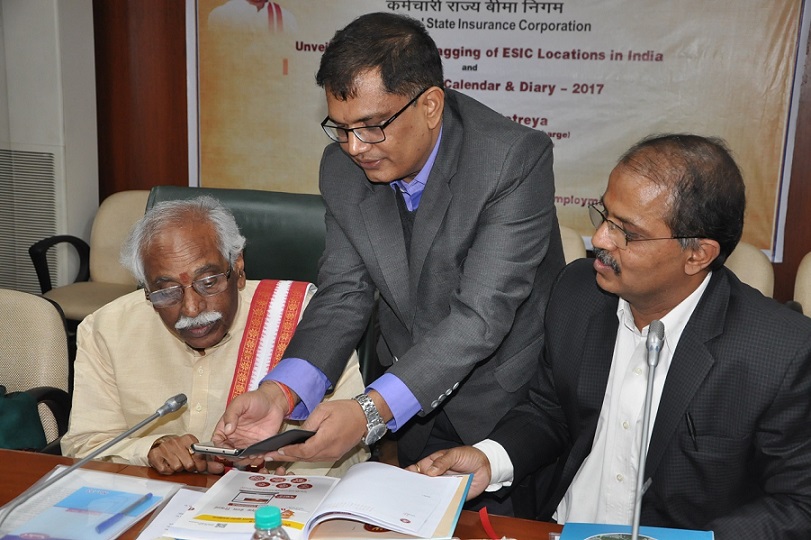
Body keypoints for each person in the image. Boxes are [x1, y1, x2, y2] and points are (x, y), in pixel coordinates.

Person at [213, 11, 564, 487]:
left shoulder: (511, 160)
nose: (355, 148)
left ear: (431, 106)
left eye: (371, 125)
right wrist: (280, 393)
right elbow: (344, 293)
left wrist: (368, 413)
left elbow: (480, 316)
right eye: (341, 128)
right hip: (410, 402)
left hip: (507, 407)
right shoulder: (342, 169)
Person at [409, 134, 811, 538]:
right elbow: (549, 411)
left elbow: (799, 504)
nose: (600, 239)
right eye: (604, 215)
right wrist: (490, 460)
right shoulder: (578, 292)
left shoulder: (781, 351)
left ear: (697, 254)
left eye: (627, 232)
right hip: (559, 528)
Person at [61, 196, 368, 476]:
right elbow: (84, 446)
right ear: (146, 289)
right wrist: (149, 450)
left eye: (208, 282)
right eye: (166, 291)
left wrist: (284, 468)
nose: (191, 309)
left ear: (238, 267)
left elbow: (350, 444)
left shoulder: (309, 320)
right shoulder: (106, 329)